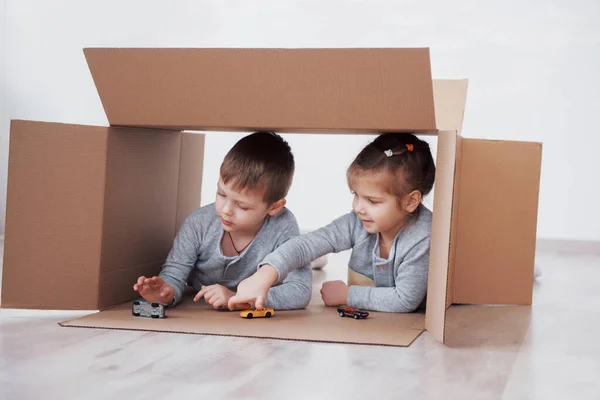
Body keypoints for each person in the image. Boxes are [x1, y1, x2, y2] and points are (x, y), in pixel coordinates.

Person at [228, 133, 434, 313]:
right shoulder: (358, 222)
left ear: (410, 201)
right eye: (356, 195)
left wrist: (347, 295)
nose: (358, 207)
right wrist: (267, 272)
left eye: (372, 201)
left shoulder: (422, 235)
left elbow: (405, 299)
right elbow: (309, 244)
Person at [133, 131, 312, 310]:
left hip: (271, 269)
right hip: (202, 283)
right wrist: (165, 292)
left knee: (304, 253)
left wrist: (238, 298)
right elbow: (175, 272)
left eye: (242, 206)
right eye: (221, 194)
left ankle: (318, 259)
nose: (226, 210)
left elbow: (300, 290)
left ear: (273, 207)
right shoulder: (200, 222)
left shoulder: (283, 227)